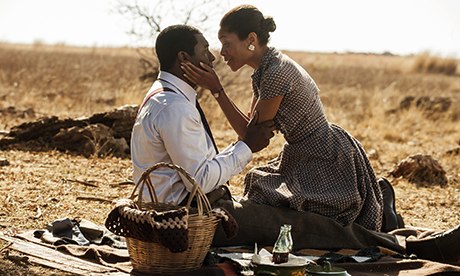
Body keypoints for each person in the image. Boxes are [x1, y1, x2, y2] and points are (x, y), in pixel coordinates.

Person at [180, 5, 460, 263]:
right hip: (310, 151)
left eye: (227, 43)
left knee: (321, 225)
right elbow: (252, 130)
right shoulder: (266, 69)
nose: (222, 52)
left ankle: (383, 218)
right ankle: (379, 206)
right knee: (267, 196)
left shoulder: (275, 72)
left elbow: (251, 136)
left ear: (250, 39)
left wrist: (217, 91)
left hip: (323, 156)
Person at [130, 24, 276, 205]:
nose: (212, 58)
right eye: (205, 50)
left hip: (177, 206)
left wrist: (241, 145)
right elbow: (200, 182)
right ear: (184, 57)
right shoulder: (175, 107)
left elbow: (200, 168)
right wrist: (246, 146)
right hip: (183, 215)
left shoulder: (163, 95)